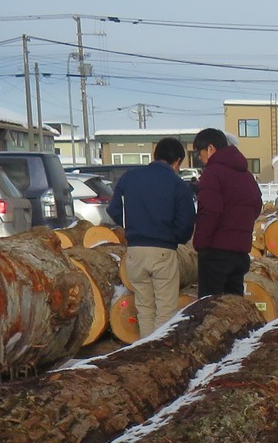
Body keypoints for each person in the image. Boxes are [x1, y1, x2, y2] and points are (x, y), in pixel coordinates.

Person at [104, 137, 197, 338]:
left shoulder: (130, 177)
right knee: (165, 311)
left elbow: (113, 208)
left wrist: (130, 225)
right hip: (163, 250)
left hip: (135, 251)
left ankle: (143, 350)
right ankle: (159, 355)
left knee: (144, 309)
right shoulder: (177, 184)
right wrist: (175, 237)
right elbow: (187, 220)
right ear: (178, 161)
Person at [190, 128, 259, 296]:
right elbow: (257, 205)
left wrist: (200, 244)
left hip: (216, 253)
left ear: (211, 148)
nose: (200, 158)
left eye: (200, 153)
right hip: (241, 253)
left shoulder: (213, 173)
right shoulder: (246, 175)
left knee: (209, 309)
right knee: (234, 307)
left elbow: (209, 212)